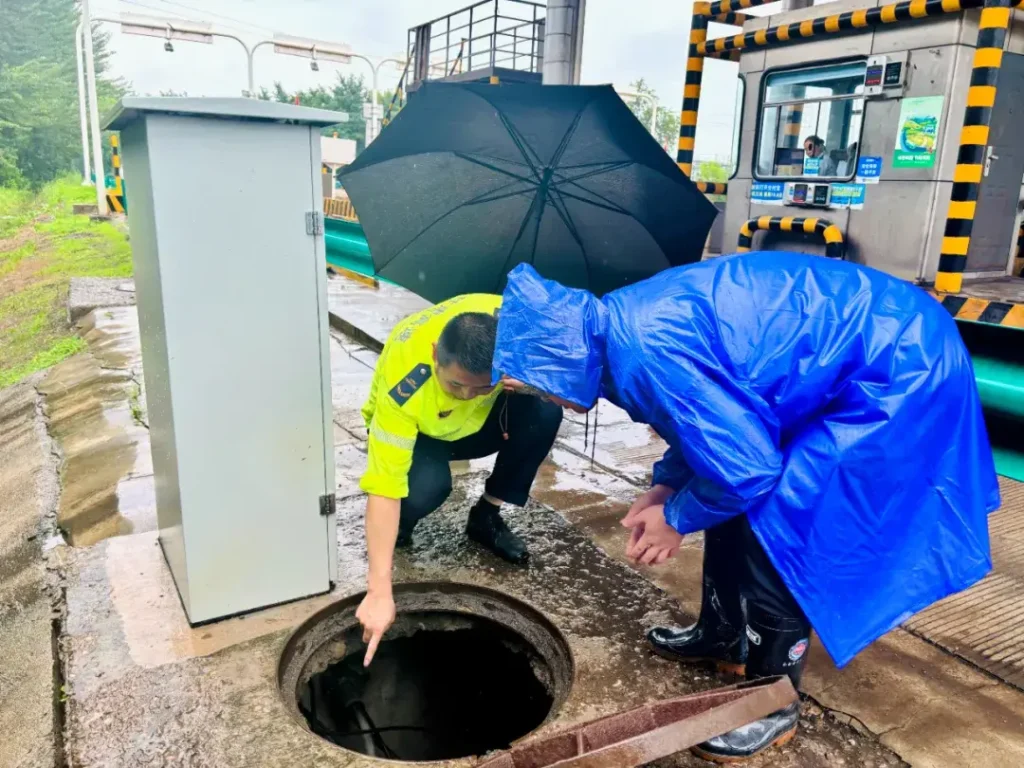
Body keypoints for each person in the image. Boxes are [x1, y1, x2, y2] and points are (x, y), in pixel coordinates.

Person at [492, 255, 997, 763]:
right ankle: (725, 634)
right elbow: (709, 430)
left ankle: (772, 701)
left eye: (541, 386)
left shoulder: (644, 353)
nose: (550, 399)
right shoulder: (620, 326)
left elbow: (748, 470)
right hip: (879, 341)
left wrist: (675, 521)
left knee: (780, 518)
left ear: (559, 357)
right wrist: (667, 489)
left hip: (901, 367)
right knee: (727, 497)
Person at [355, 294, 563, 665]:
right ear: (436, 353)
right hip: (425, 432)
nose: (468, 395)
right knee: (422, 489)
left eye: (480, 387)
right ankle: (402, 525)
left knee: (544, 410)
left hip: (478, 427)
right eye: (455, 385)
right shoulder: (406, 382)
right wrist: (379, 588)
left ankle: (486, 516)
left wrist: (533, 383)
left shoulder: (518, 327)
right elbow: (384, 488)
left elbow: (573, 375)